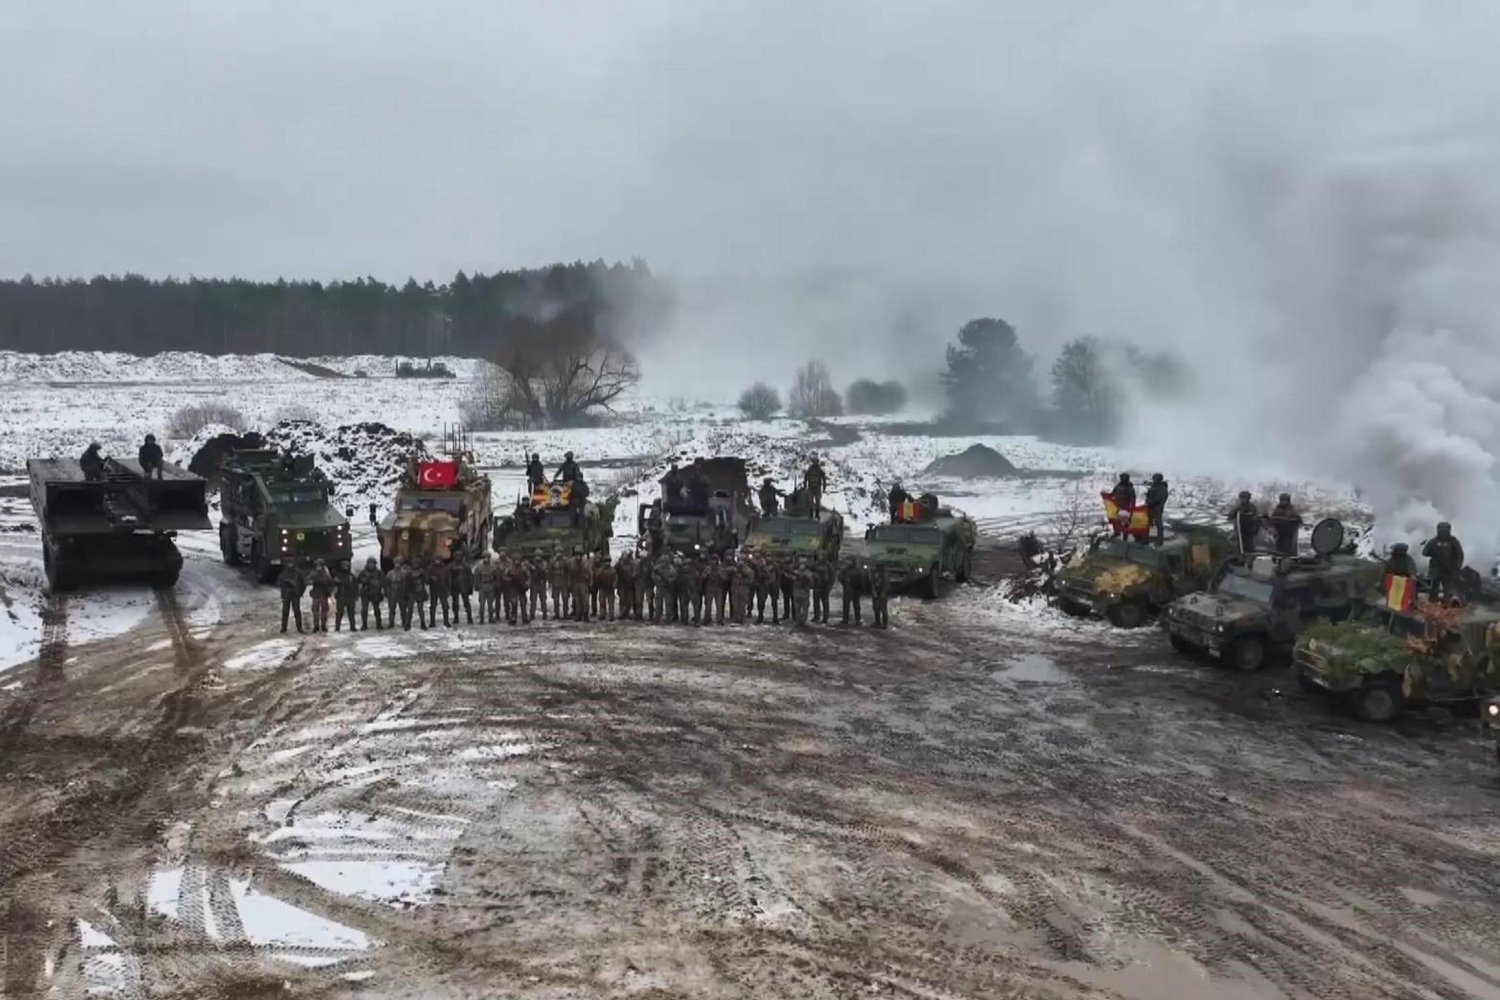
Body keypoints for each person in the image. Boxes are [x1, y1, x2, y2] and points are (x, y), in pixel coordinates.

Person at [1422, 522, 1466, 601]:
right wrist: (1428, 548)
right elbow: (1425, 553)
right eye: (1441, 529)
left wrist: (1457, 566)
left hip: (1448, 570)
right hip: (1436, 570)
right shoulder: (1433, 541)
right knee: (1433, 589)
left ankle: (1446, 605)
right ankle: (1432, 605)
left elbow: (1459, 555)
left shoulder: (1453, 541)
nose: (1443, 532)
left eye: (1445, 530)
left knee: (1448, 590)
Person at [277, 559, 307, 634]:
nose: (290, 565)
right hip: (287, 594)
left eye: (291, 563)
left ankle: (299, 628)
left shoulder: (298, 572)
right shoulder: (284, 572)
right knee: (285, 612)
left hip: (295, 594)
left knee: (297, 611)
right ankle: (284, 628)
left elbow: (304, 583)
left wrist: (300, 593)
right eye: (289, 563)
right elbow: (279, 582)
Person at [308, 559, 335, 633]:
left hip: (323, 594)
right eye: (317, 565)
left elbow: (331, 583)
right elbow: (309, 578)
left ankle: (323, 626)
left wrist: (329, 591)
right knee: (316, 611)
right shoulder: (316, 573)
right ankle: (316, 626)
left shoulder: (326, 574)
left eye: (319, 565)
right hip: (316, 594)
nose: (318, 567)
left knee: (324, 611)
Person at [358, 557, 385, 630]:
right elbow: (358, 581)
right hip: (365, 594)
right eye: (370, 563)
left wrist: (381, 591)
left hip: (375, 593)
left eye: (373, 563)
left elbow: (382, 582)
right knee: (364, 610)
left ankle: (379, 624)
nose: (371, 565)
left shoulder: (379, 573)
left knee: (377, 610)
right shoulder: (363, 573)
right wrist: (364, 583)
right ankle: (364, 625)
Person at [839, 556, 867, 625]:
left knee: (856, 606)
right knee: (846, 605)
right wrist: (844, 581)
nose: (848, 562)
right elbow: (840, 577)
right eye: (848, 561)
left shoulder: (857, 570)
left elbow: (861, 580)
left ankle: (857, 619)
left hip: (855, 589)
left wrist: (860, 589)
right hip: (847, 590)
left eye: (850, 561)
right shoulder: (844, 570)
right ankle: (845, 619)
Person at [333, 560, 359, 632]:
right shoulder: (338, 575)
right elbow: (334, 585)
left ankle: (352, 626)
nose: (345, 567)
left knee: (351, 613)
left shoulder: (351, 576)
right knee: (339, 613)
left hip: (350, 596)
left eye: (346, 566)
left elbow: (355, 586)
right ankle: (337, 627)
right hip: (341, 596)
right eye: (344, 566)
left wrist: (356, 595)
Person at [386, 558, 411, 630]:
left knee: (403, 609)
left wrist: (406, 593)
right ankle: (391, 623)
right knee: (391, 609)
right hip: (392, 593)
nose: (397, 565)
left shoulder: (404, 573)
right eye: (396, 563)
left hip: (401, 593)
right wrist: (388, 592)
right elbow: (387, 583)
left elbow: (406, 583)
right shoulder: (390, 573)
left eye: (398, 563)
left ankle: (404, 622)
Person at [1144, 474, 1169, 545]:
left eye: (1154, 479)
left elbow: (1158, 499)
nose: (1153, 480)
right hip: (1151, 507)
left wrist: (1150, 502)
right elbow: (1151, 495)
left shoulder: (1162, 488)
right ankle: (1145, 538)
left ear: (1158, 479)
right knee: (1146, 523)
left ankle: (1159, 540)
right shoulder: (1155, 486)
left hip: (1157, 508)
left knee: (1158, 524)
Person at [428, 558, 452, 628]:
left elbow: (448, 579)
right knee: (433, 607)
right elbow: (426, 579)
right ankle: (432, 622)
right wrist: (430, 578)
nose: (437, 561)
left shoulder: (445, 569)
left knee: (445, 606)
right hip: (434, 590)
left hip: (443, 590)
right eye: (436, 560)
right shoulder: (431, 568)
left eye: (438, 560)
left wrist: (448, 589)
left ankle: (446, 621)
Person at [407, 560, 430, 630]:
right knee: (410, 609)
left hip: (420, 592)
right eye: (414, 564)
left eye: (416, 564)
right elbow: (406, 584)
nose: (415, 565)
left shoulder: (422, 572)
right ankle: (408, 624)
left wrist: (424, 575)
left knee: (420, 610)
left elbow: (427, 582)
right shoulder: (409, 573)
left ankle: (422, 623)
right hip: (412, 593)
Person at [473, 554, 495, 624]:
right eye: (484, 558)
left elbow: (496, 577)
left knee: (490, 604)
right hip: (482, 587)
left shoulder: (493, 567)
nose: (486, 559)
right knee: (482, 604)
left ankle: (491, 617)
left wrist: (495, 585)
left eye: (487, 558)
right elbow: (476, 578)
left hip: (490, 586)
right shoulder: (479, 567)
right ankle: (481, 618)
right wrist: (477, 586)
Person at [595, 557, 618, 621]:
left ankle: (611, 615)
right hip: (602, 588)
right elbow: (597, 577)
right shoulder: (601, 570)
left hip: (610, 589)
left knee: (611, 603)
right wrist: (599, 585)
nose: (607, 563)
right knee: (602, 602)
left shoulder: (612, 570)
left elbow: (615, 579)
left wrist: (614, 586)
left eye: (608, 562)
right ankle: (602, 614)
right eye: (606, 562)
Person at [869, 562, 891, 629]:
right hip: (876, 592)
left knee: (883, 608)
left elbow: (887, 584)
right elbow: (872, 582)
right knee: (876, 608)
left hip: (882, 593)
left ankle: (885, 623)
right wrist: (873, 591)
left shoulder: (885, 573)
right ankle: (877, 622)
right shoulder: (875, 572)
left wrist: (883, 592)